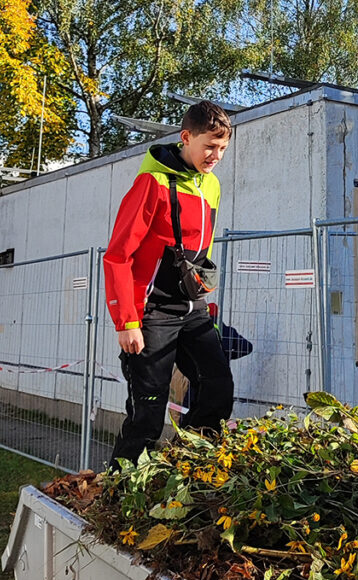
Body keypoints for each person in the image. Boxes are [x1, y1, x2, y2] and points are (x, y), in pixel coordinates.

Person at [103, 100, 235, 463]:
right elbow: (117, 256)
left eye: (223, 148)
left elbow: (200, 249)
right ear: (186, 137)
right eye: (209, 145)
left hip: (192, 310)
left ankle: (187, 464)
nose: (216, 155)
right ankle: (121, 489)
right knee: (147, 415)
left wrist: (201, 291)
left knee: (219, 389)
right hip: (151, 312)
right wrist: (126, 321)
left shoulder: (212, 186)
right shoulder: (152, 183)